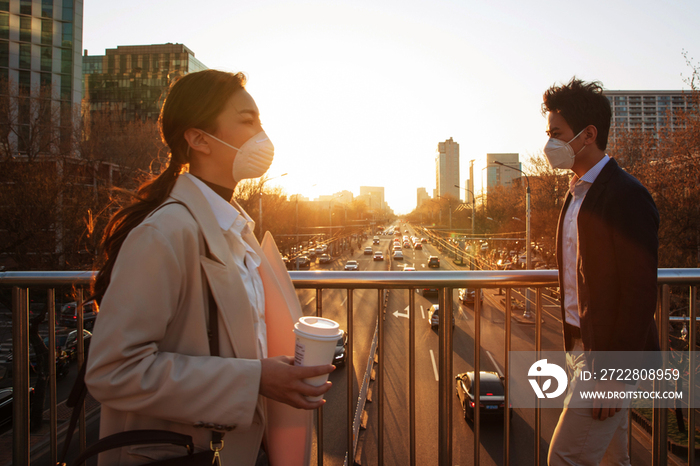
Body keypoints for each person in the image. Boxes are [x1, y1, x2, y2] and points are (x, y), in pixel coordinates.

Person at [85, 70, 335, 466]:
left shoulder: (234, 228)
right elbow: (112, 371)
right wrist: (255, 379)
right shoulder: (166, 232)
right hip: (189, 454)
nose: (261, 135)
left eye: (260, 122)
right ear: (199, 138)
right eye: (247, 120)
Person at [542, 78, 660, 466]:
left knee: (563, 458)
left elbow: (640, 292)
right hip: (581, 347)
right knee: (614, 461)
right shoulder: (578, 192)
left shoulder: (626, 194)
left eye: (556, 134)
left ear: (587, 134)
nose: (549, 144)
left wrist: (613, 373)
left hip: (605, 360)